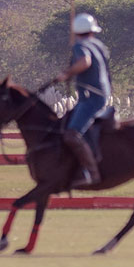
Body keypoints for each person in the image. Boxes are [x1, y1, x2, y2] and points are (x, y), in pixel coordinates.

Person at [53, 13, 112, 187]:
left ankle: (90, 173)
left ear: (77, 32)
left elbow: (85, 62)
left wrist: (67, 73)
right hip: (100, 94)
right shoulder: (98, 44)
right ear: (92, 31)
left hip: (91, 97)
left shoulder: (80, 46)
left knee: (72, 134)